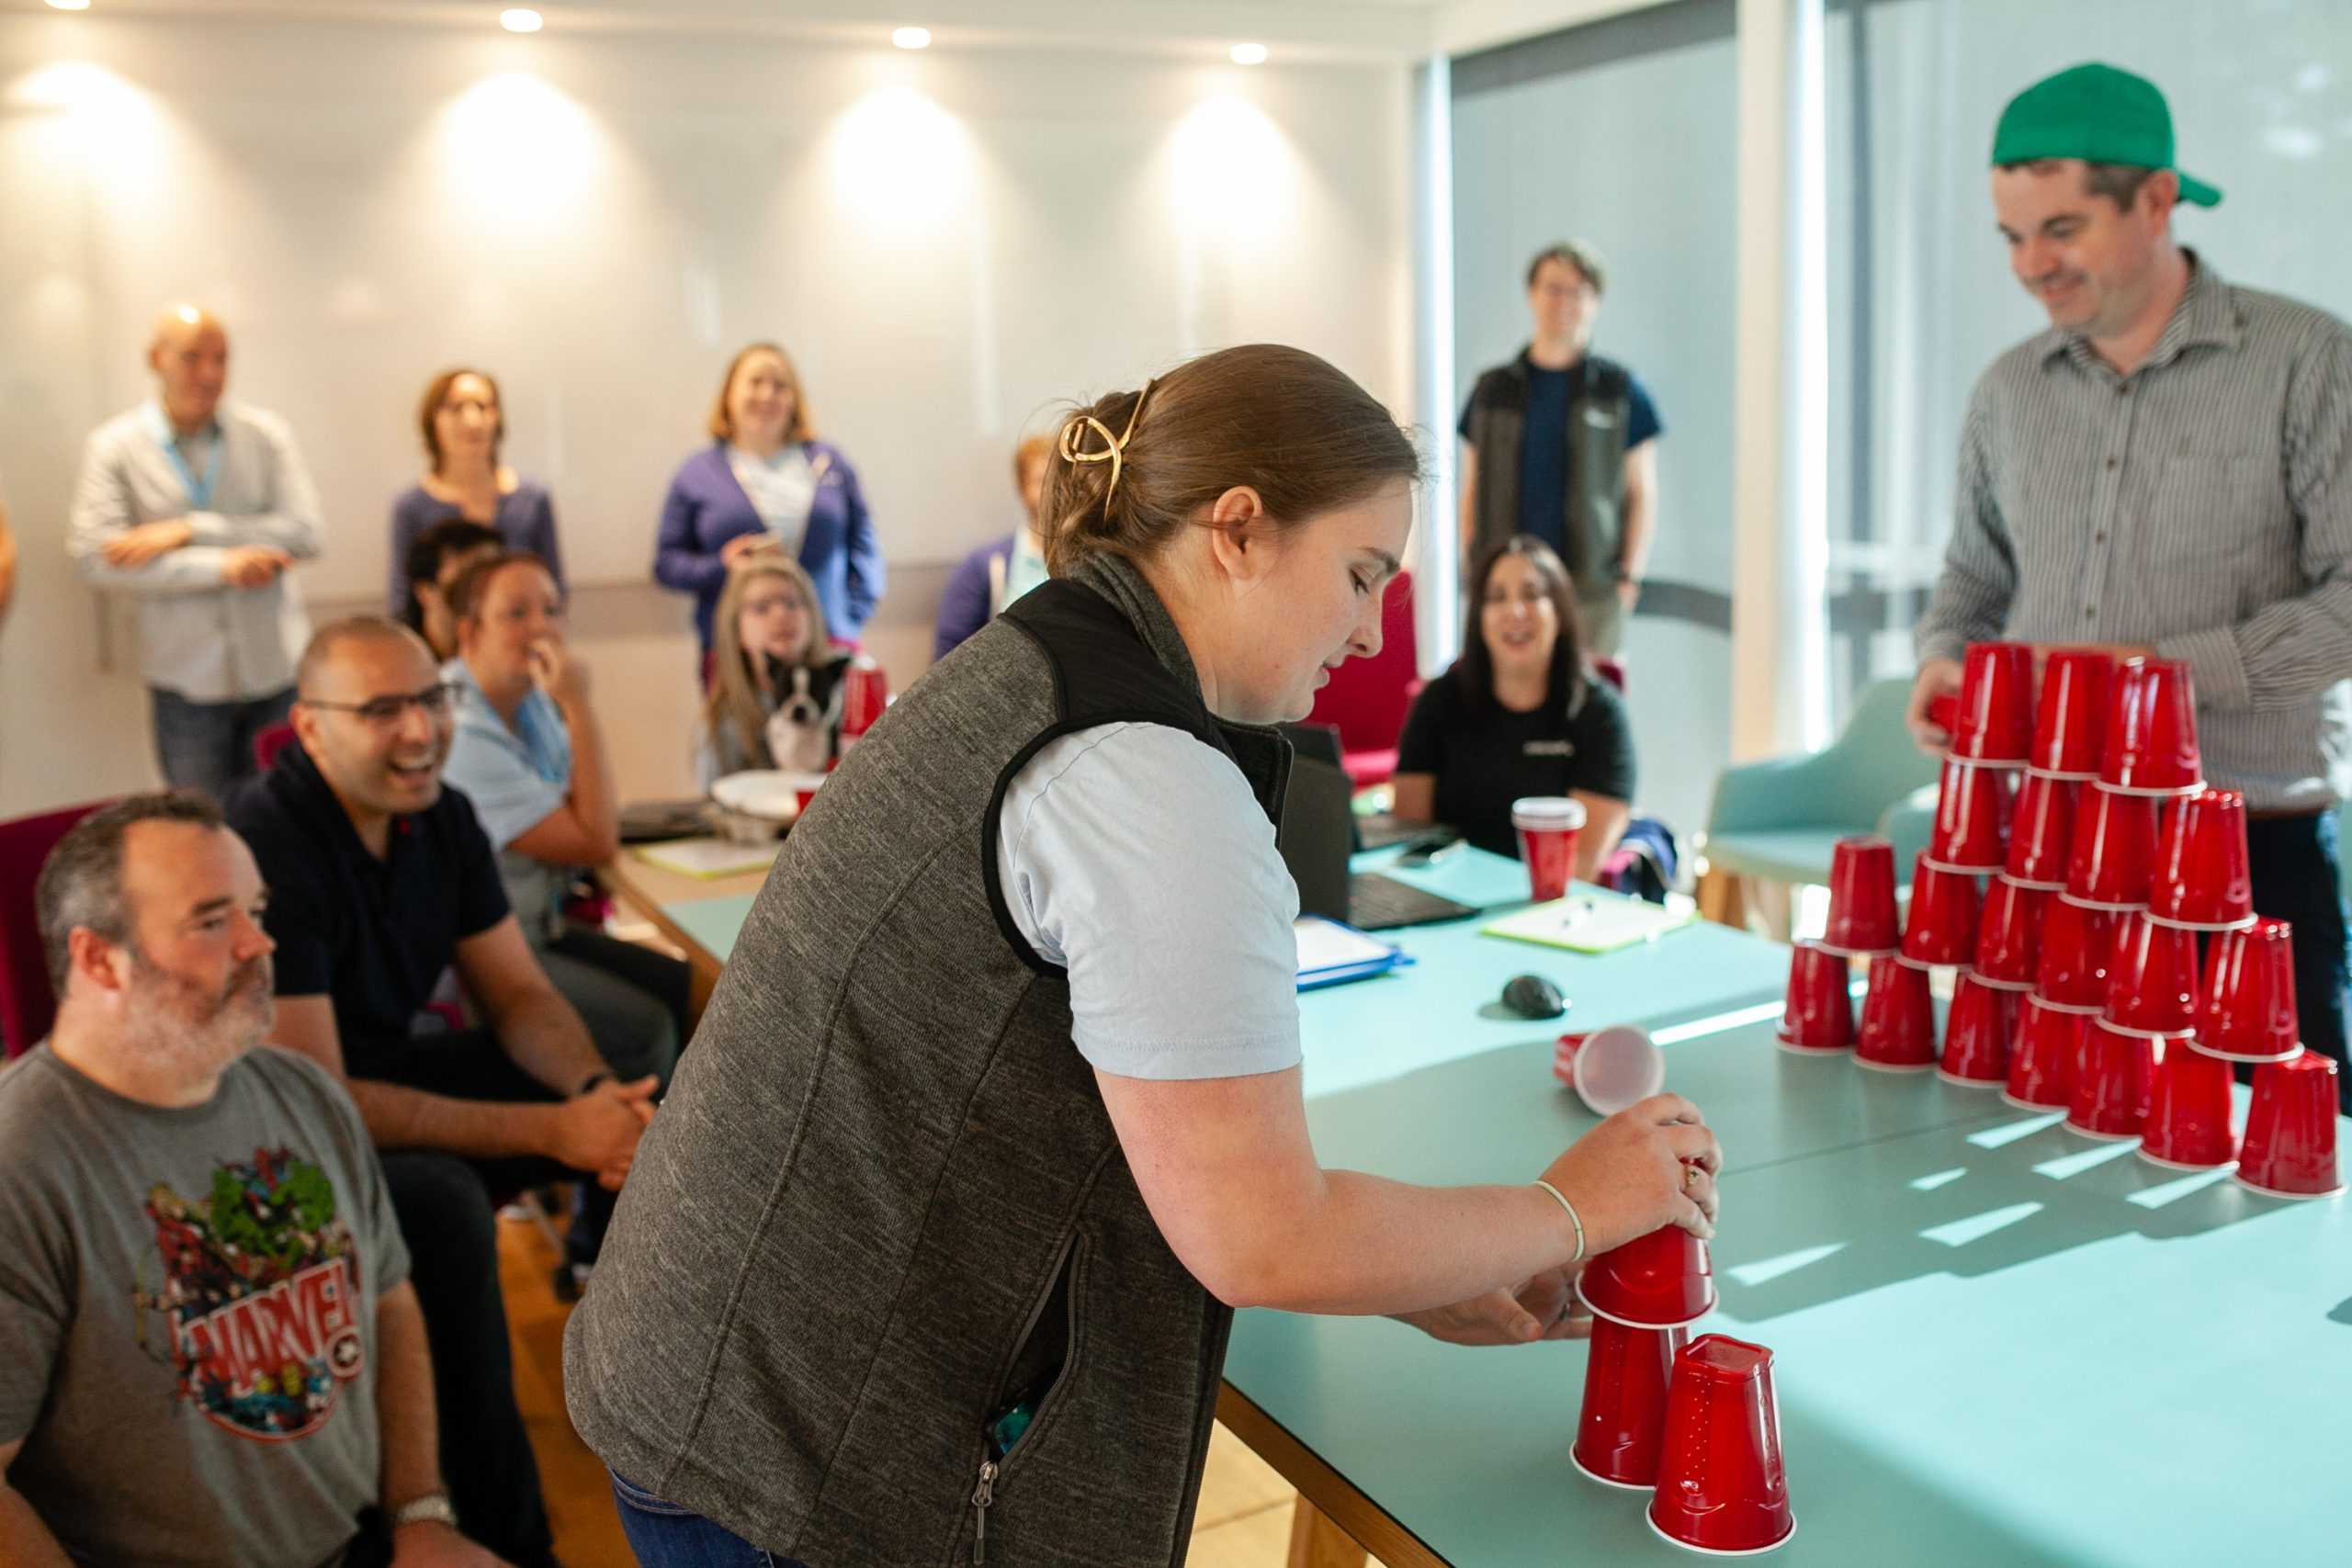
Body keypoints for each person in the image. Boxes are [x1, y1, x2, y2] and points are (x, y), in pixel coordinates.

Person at [564, 344, 1723, 1566]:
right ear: (1237, 531)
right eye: (1361, 574)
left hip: (714, 1377)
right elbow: (1258, 1229)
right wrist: (1567, 1206)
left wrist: (1416, 1266)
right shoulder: (1147, 776)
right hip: (796, 1459)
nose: (1377, 634)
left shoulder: (1037, 659)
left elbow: (1156, 1131)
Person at [1906, 62, 2352, 1108]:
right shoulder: (2007, 392)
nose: (2030, 265)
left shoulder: (2307, 362)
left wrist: (2158, 675)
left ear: (2155, 199)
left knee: (2281, 1184)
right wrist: (1940, 662)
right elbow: (1972, 578)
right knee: (2042, 1147)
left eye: (2060, 229)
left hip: (2245, 854)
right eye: (2011, 236)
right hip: (2050, 853)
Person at [225, 615, 665, 1564]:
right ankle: (500, 1539)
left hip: (371, 1071)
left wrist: (594, 1101)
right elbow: (320, 1097)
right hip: (268, 1132)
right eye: (382, 710)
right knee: (442, 1206)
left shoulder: (441, 814)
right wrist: (555, 1130)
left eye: (431, 700)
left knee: (638, 1087)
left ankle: (643, 1394)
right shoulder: (269, 841)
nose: (421, 731)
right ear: (310, 728)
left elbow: (516, 992)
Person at [2, 793, 502, 1567]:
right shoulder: (22, 1161)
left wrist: (421, 1513)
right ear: (99, 958)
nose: (259, 942)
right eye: (211, 921)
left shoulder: (302, 1093)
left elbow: (389, 1300)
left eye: (256, 909)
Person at [439, 550, 689, 1070]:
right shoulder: (459, 733)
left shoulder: (527, 700)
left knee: (689, 987)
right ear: (468, 633)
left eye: (553, 610)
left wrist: (565, 707)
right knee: (650, 1028)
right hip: (486, 954)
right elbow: (594, 839)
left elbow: (587, 811)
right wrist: (579, 705)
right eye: (517, 613)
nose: (543, 629)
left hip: (544, 922)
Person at [69, 305, 323, 801]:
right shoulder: (115, 446)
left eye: (221, 359)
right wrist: (220, 566)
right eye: (192, 358)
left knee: (290, 814)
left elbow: (305, 533)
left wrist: (188, 529)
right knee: (202, 824)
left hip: (274, 667)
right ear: (155, 359)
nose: (209, 374)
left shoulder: (265, 435)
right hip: (186, 679)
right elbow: (93, 556)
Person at [1458, 242, 1664, 658]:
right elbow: (1471, 488)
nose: (1564, 301)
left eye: (1578, 291)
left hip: (1592, 588)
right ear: (1532, 294)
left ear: (1596, 302)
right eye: (1553, 288)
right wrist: (1472, 565)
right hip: (1504, 587)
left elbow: (1641, 493)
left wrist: (1630, 576)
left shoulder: (1620, 391)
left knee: (1585, 708)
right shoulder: (1493, 390)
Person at [1391, 536, 1635, 872]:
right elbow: (1409, 836)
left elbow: (1580, 863)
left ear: (1560, 613)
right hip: (1446, 894)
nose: (1514, 611)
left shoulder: (1600, 713)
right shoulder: (1438, 701)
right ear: (1479, 617)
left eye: (1532, 594)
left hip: (1546, 903)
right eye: (1496, 597)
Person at [653, 342, 884, 664]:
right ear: (729, 395)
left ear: (794, 398)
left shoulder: (830, 463)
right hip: (736, 654)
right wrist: (722, 566)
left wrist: (850, 613)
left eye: (780, 385)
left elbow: (865, 546)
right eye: (755, 382)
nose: (767, 395)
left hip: (828, 642)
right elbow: (666, 564)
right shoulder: (697, 472)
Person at [387, 367, 565, 616]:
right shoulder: (411, 507)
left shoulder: (533, 498)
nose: (472, 420)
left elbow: (554, 590)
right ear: (433, 420)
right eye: (456, 407)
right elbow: (402, 599)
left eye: (483, 407)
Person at [695, 556, 851, 785]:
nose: (781, 615)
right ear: (735, 628)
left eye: (792, 603)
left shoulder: (849, 692)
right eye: (761, 608)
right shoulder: (721, 726)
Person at [934, 434, 1055, 660]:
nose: (1051, 491)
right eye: (1041, 481)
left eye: (1058, 480)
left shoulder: (1087, 562)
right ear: (1022, 487)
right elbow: (948, 654)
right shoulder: (984, 566)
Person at [398, 518, 504, 660]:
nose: (487, 591)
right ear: (425, 592)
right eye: (467, 578)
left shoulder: (510, 652)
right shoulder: (396, 657)